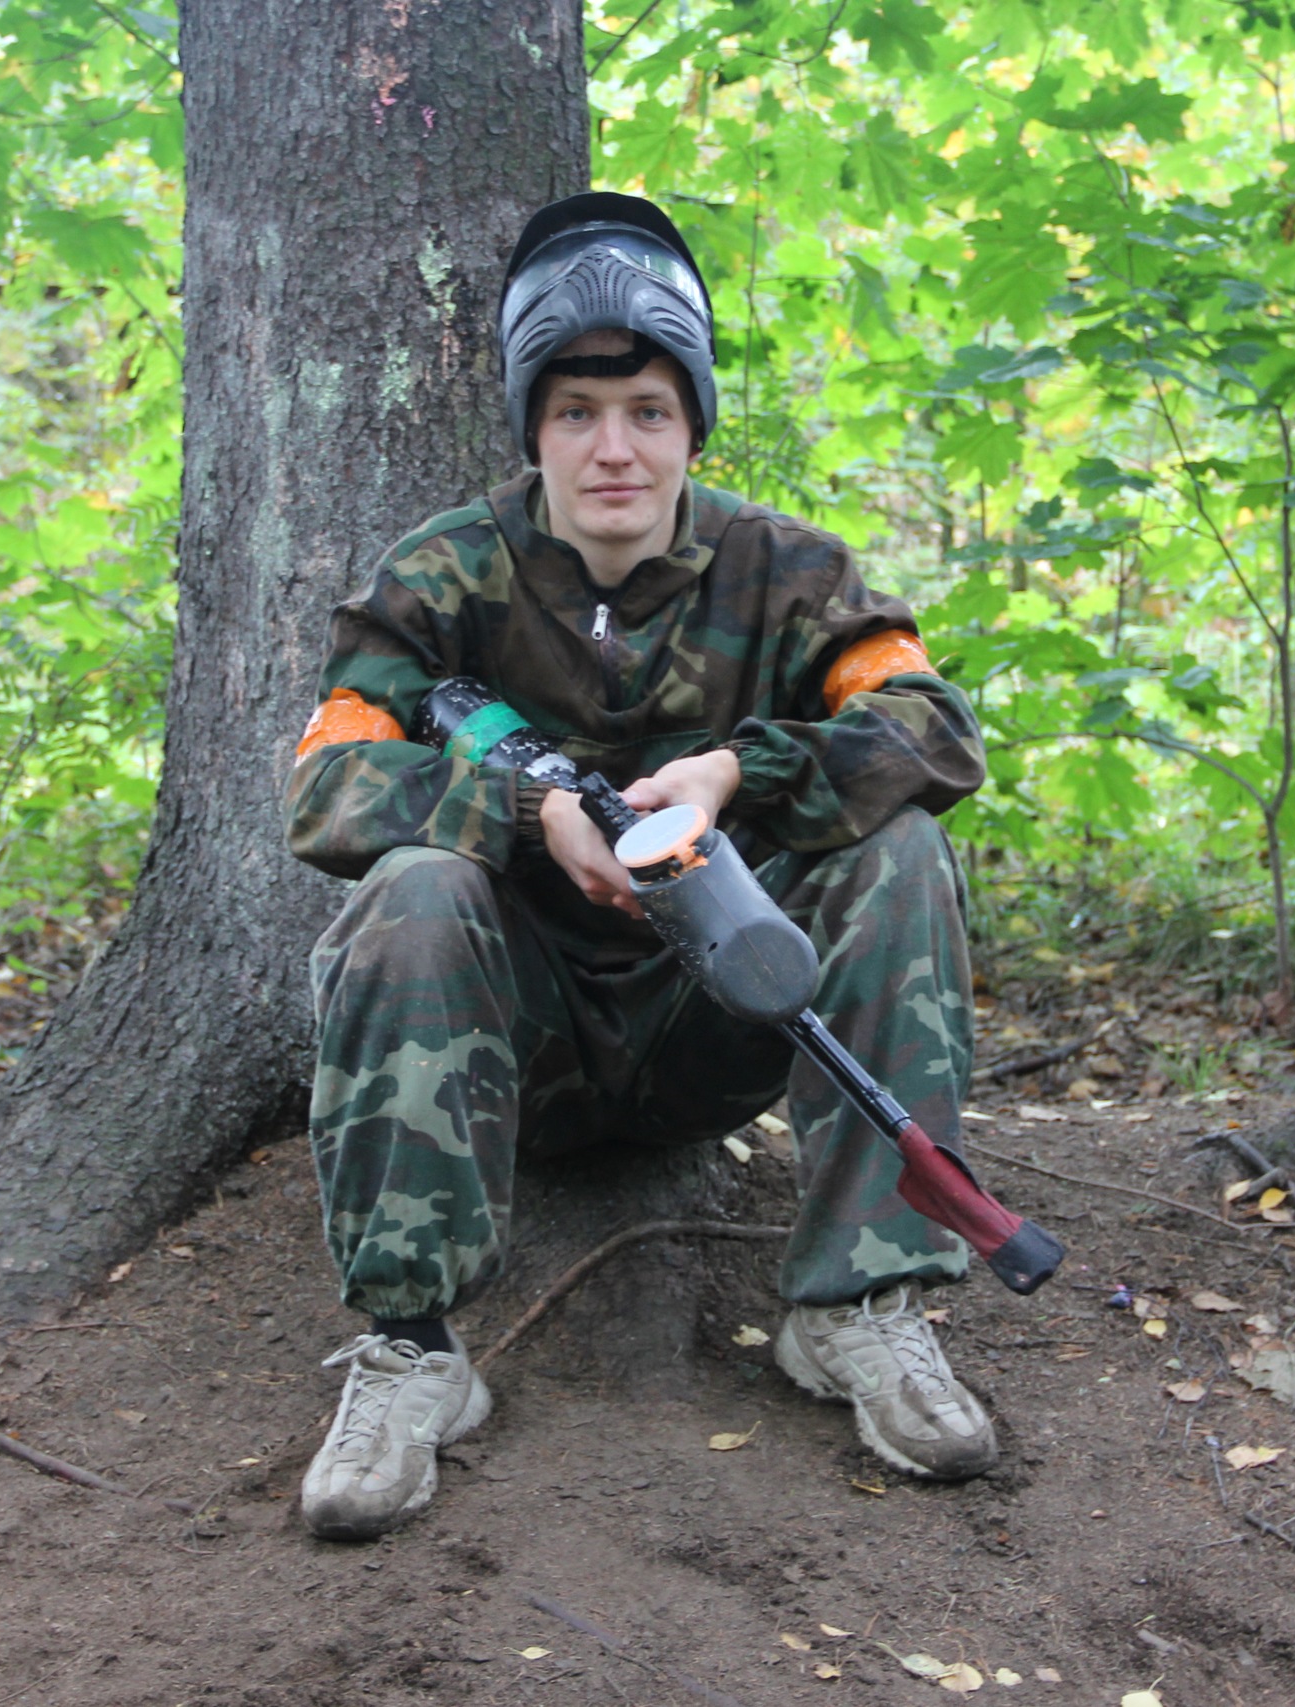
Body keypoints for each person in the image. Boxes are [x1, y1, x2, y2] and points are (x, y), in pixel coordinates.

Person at [282, 192, 997, 1541]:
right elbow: (325, 788)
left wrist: (737, 775)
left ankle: (857, 1305)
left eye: (649, 413)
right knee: (412, 887)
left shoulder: (789, 574)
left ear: (693, 426)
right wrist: (520, 809)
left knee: (899, 849)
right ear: (532, 427)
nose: (614, 449)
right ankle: (411, 1347)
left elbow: (934, 731)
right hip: (512, 1053)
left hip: (724, 1020)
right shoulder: (438, 579)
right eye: (576, 413)